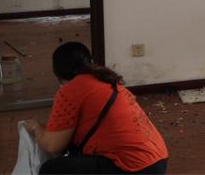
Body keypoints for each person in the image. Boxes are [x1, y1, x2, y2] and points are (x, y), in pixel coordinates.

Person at [23, 42, 168, 174]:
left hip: (132, 167)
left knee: (52, 169)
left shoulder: (71, 90)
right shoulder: (105, 80)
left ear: (58, 73)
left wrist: (36, 127)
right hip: (157, 160)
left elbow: (52, 145)